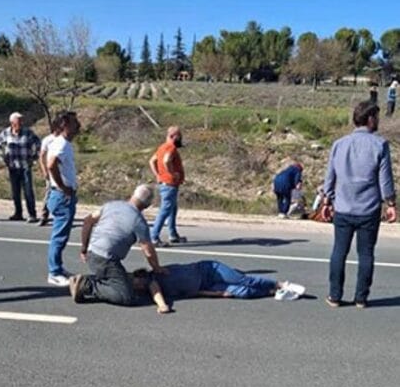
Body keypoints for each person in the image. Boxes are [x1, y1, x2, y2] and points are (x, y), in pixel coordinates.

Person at [320, 100, 397, 307]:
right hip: (368, 209)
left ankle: (335, 295)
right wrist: (390, 203)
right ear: (370, 119)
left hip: (343, 207)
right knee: (366, 254)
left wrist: (326, 201)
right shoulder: (380, 145)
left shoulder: (339, 144)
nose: (379, 121)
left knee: (339, 251)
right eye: (377, 117)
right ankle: (361, 297)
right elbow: (385, 180)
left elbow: (330, 176)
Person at [70, 185, 164, 306]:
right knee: (126, 296)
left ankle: (106, 280)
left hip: (92, 253)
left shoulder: (111, 205)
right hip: (105, 260)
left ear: (133, 195)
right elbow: (148, 250)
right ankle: (88, 285)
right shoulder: (139, 222)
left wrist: (84, 248)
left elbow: (88, 221)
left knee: (119, 278)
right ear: (147, 205)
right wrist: (157, 268)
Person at [131, 262, 305, 314]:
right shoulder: (166, 291)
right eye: (137, 287)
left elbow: (154, 288)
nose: (138, 286)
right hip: (207, 285)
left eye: (136, 282)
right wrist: (216, 294)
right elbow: (193, 293)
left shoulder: (156, 274)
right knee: (239, 293)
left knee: (244, 280)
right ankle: (272, 292)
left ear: (141, 275)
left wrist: (162, 306)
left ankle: (281, 284)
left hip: (209, 269)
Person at [44, 111, 80, 286]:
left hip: (62, 194)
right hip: (62, 196)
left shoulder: (63, 143)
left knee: (61, 235)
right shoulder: (61, 144)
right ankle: (54, 272)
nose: (78, 126)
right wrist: (63, 187)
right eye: (74, 123)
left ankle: (57, 267)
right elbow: (51, 164)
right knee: (59, 236)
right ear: (65, 125)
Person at [0, 111, 39, 222]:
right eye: (18, 121)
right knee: (15, 191)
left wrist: (34, 157)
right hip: (13, 167)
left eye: (21, 121)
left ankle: (32, 214)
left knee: (28, 190)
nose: (20, 123)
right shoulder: (6, 133)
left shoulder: (28, 132)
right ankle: (18, 213)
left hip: (25, 166)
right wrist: (3, 158)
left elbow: (38, 144)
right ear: (12, 123)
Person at [148, 125, 186, 246]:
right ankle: (153, 236)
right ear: (172, 136)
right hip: (169, 184)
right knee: (165, 210)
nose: (180, 138)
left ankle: (173, 234)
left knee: (172, 209)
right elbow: (166, 160)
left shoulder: (161, 147)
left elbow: (152, 161)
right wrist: (172, 173)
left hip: (167, 183)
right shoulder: (170, 147)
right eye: (179, 136)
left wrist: (158, 175)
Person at [36, 121, 63, 226]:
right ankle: (44, 215)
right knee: (49, 193)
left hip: (61, 171)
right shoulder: (48, 140)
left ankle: (59, 215)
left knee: (62, 193)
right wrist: (44, 170)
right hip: (51, 170)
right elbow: (42, 156)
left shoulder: (62, 140)